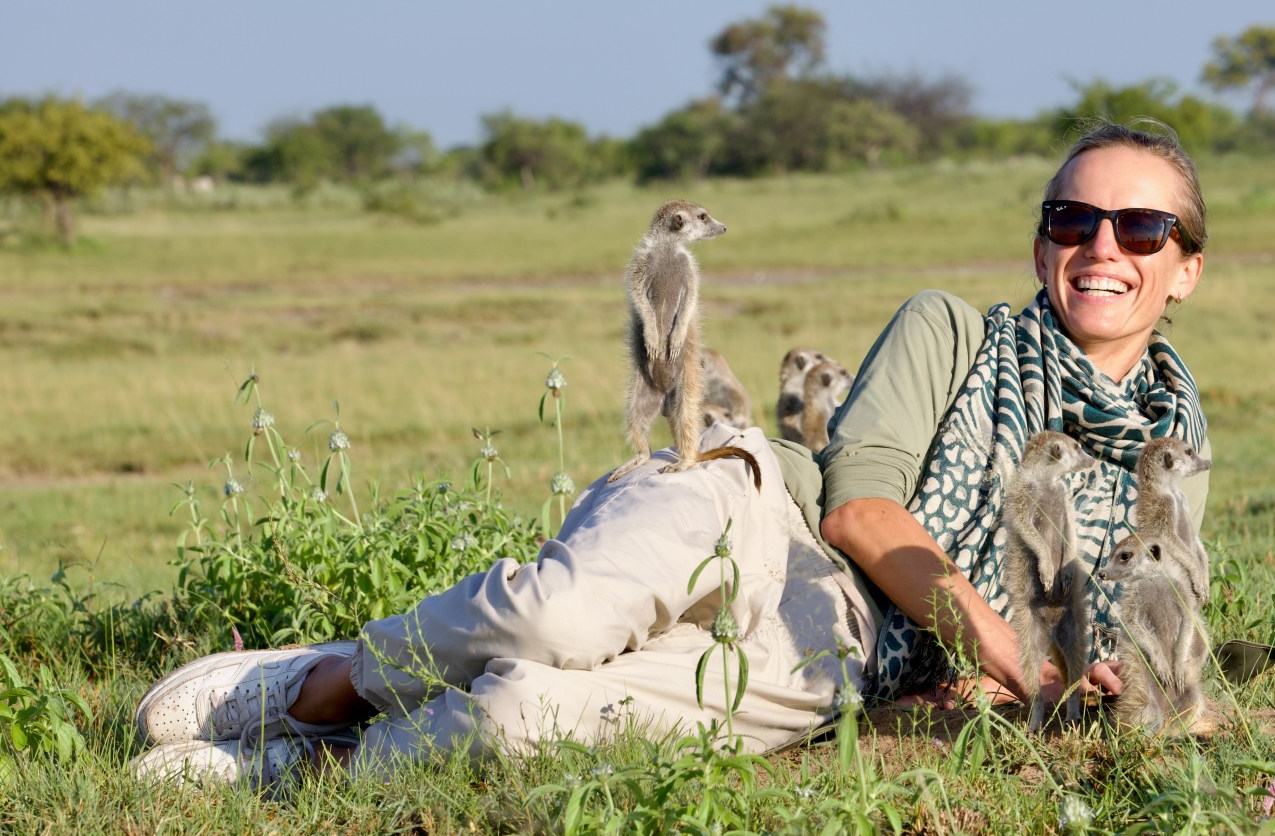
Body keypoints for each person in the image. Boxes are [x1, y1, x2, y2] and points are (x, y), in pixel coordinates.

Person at [132, 119, 1208, 787]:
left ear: (1186, 268)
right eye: (1074, 217)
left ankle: (310, 770)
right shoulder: (955, 332)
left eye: (1140, 229)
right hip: (766, 517)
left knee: (524, 720)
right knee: (560, 615)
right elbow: (860, 511)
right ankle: (329, 680)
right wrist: (1016, 657)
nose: (1100, 246)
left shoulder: (1173, 454)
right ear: (1041, 240)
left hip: (840, 651)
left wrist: (1103, 679)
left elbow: (1143, 629)